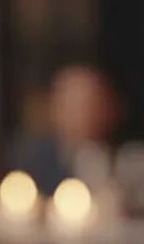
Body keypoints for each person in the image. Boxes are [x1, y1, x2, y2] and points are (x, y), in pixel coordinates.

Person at [6, 63, 121, 196]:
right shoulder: (30, 162)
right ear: (55, 109)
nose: (84, 115)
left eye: (92, 104)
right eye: (74, 107)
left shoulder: (124, 160)